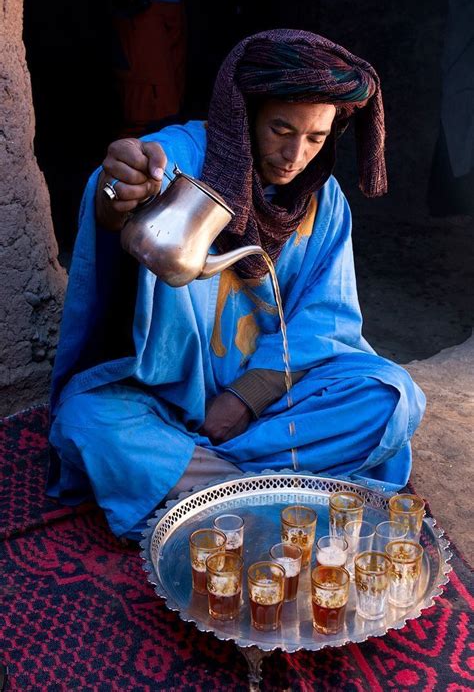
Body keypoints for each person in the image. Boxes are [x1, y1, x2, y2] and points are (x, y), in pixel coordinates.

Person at [48, 30, 426, 540]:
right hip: (164, 398)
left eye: (316, 138)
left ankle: (202, 483)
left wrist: (244, 399)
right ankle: (274, 490)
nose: (295, 154)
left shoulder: (325, 200)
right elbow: (132, 180)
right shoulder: (184, 157)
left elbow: (326, 317)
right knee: (85, 420)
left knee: (392, 397)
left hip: (272, 403)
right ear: (243, 114)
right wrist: (118, 187)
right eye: (280, 129)